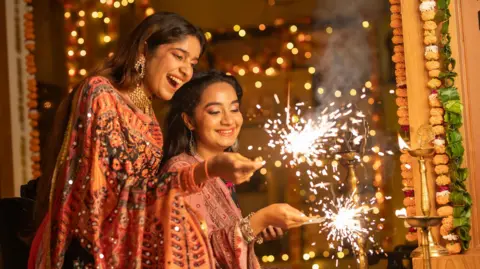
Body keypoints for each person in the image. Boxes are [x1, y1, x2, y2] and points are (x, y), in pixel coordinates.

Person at [29, 12, 265, 269]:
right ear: (145, 47)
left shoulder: (151, 119)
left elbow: (149, 196)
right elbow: (107, 194)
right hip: (89, 249)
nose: (186, 71)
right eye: (178, 56)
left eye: (193, 62)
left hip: (130, 250)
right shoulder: (101, 94)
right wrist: (204, 171)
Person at [161, 70, 310, 269]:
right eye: (215, 112)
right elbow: (194, 254)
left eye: (234, 109)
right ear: (189, 120)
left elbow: (220, 238)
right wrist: (259, 220)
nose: (229, 120)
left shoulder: (222, 175)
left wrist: (259, 228)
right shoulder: (181, 172)